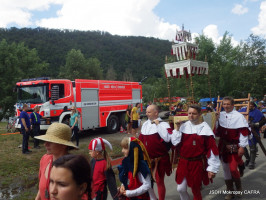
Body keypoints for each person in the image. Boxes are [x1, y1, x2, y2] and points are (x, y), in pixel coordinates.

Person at [171, 104, 220, 200]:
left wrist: (212, 168)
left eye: (194, 113)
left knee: (196, 190)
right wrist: (177, 128)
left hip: (197, 163)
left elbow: (212, 150)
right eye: (189, 113)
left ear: (199, 114)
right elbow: (175, 142)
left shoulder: (205, 128)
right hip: (183, 162)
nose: (191, 115)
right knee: (180, 188)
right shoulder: (183, 126)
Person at [216, 96, 250, 200]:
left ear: (232, 105)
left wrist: (242, 147)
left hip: (235, 145)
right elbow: (215, 129)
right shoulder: (219, 115)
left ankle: (239, 188)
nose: (226, 106)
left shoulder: (239, 116)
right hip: (223, 145)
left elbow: (244, 133)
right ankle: (230, 192)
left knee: (233, 169)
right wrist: (216, 119)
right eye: (224, 104)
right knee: (226, 169)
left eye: (228, 104)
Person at [34, 123, 78, 200]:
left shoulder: (74, 166)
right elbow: (41, 188)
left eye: (50, 141)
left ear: (63, 145)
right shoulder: (44, 159)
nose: (45, 144)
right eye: (46, 140)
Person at [139, 104, 172, 200]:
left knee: (159, 181)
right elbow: (141, 140)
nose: (146, 114)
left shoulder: (164, 125)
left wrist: (158, 125)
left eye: (149, 112)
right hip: (148, 159)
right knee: (146, 182)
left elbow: (167, 139)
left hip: (160, 159)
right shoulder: (145, 124)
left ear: (156, 113)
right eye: (146, 112)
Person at [245, 102, 266, 169]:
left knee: (252, 147)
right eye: (248, 105)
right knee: (241, 146)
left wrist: (256, 124)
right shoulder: (244, 110)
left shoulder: (257, 112)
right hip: (243, 131)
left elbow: (263, 120)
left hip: (253, 131)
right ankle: (248, 159)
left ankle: (252, 162)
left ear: (253, 106)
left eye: (251, 105)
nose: (249, 106)